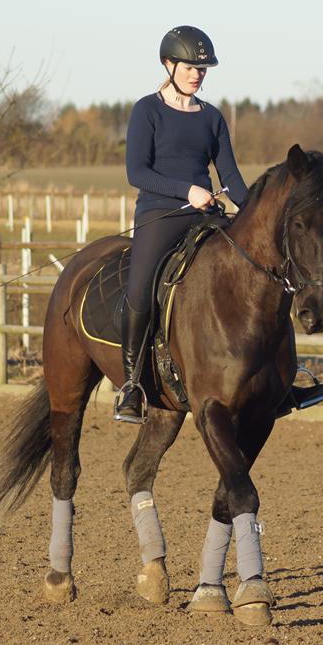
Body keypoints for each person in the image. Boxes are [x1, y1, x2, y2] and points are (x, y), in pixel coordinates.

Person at [117, 25, 248, 422]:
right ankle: (131, 384)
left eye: (203, 69)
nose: (197, 74)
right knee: (140, 289)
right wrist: (186, 190)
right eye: (190, 67)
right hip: (161, 213)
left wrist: (256, 209)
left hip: (205, 215)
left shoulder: (212, 117)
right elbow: (136, 172)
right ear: (168, 64)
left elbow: (232, 177)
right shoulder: (147, 110)